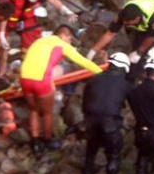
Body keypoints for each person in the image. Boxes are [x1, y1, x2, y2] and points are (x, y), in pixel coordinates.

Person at [19, 25, 103, 154]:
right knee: (47, 112)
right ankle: (47, 140)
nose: (70, 42)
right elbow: (83, 61)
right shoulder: (61, 44)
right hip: (41, 81)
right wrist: (101, 72)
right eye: (70, 39)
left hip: (24, 77)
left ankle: (35, 142)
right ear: (64, 36)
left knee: (34, 110)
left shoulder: (39, 41)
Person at [88, 0, 154, 93]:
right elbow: (110, 33)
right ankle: (129, 84)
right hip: (145, 26)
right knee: (135, 56)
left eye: (128, 22)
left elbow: (152, 37)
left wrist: (139, 52)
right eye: (124, 21)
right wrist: (93, 50)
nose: (125, 23)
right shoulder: (124, 14)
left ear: (137, 18)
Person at [81, 51, 134, 174]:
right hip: (110, 123)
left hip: (90, 120)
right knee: (113, 156)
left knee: (92, 146)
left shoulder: (93, 79)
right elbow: (135, 104)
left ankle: (87, 173)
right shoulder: (126, 85)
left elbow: (85, 102)